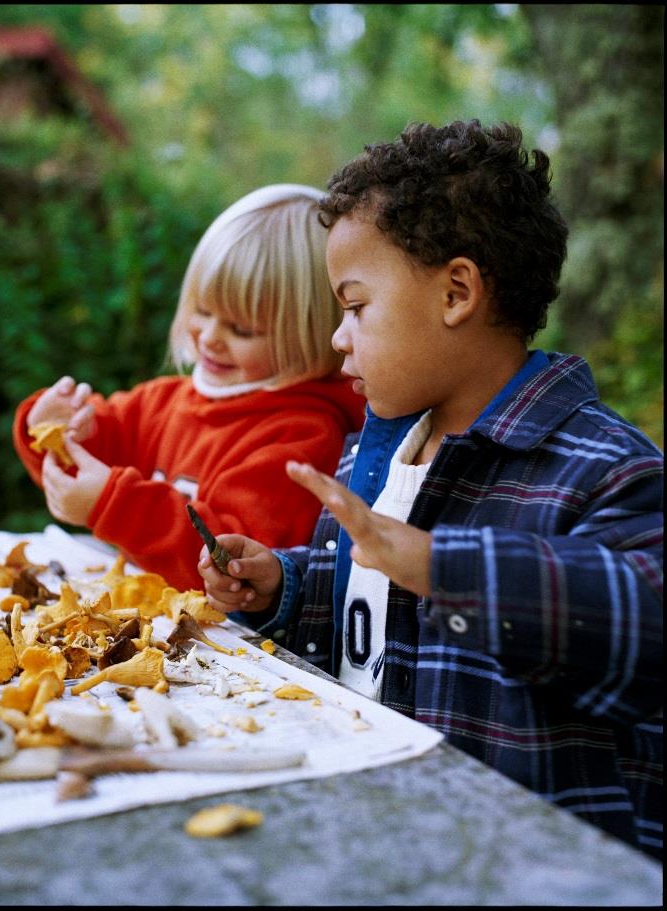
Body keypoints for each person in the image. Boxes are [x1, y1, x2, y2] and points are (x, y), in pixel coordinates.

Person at [198, 122, 663, 860]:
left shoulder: (603, 467)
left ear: (456, 291)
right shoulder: (378, 449)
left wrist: (438, 563)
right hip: (375, 828)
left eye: (354, 307)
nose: (339, 338)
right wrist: (283, 585)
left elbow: (645, 618)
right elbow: (369, 601)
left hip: (532, 863)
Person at [13, 184, 365, 591]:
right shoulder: (165, 402)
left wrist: (114, 504)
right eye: (202, 311)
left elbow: (234, 560)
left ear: (311, 335)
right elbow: (95, 448)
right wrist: (52, 431)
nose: (210, 337)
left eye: (241, 329)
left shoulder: (301, 436)